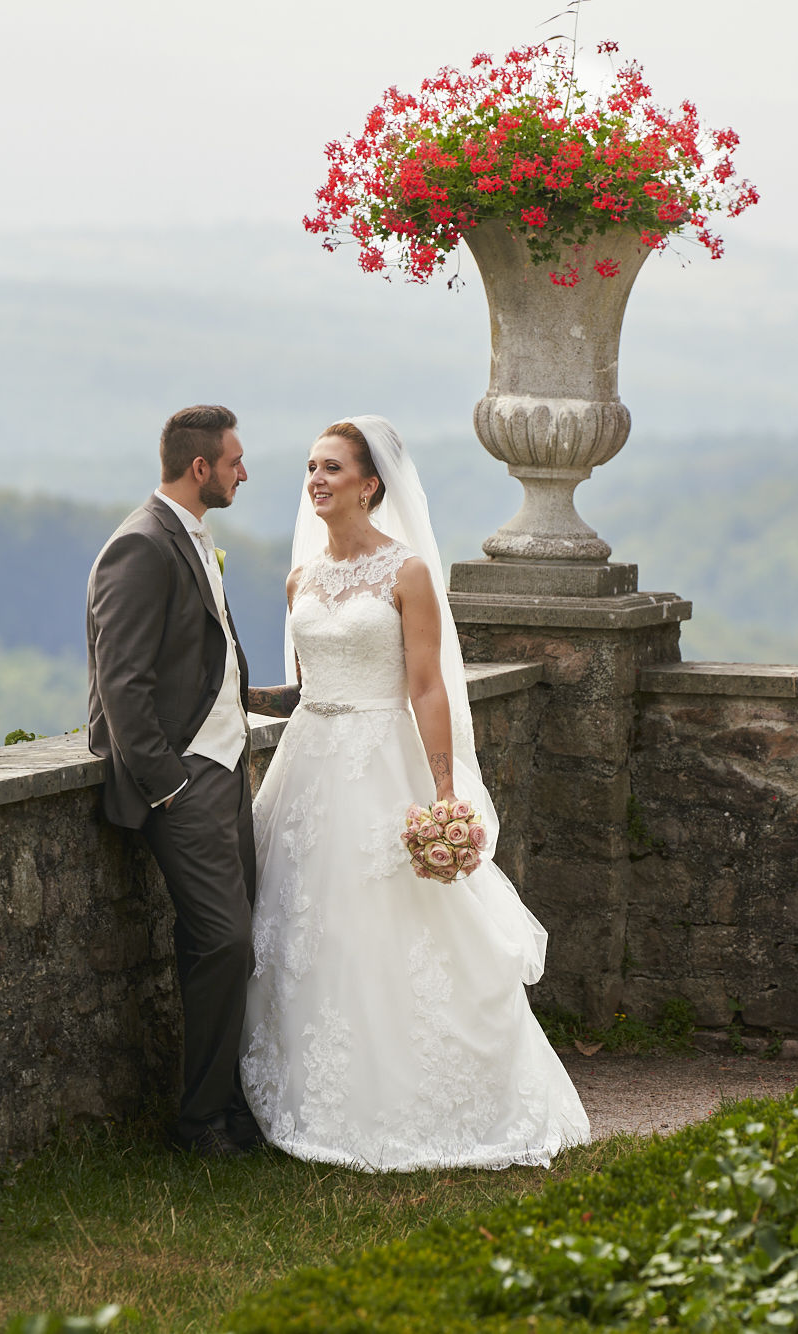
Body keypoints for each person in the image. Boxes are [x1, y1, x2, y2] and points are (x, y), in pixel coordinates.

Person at [239, 415, 590, 1171]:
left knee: (394, 928)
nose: (316, 480)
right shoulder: (300, 578)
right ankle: (315, 1098)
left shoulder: (406, 574)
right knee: (309, 927)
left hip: (381, 763)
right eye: (310, 467)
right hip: (310, 768)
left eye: (332, 468)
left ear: (371, 484)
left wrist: (442, 790)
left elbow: (428, 685)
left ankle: (420, 1098)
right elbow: (304, 691)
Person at [84, 404, 295, 1159]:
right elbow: (123, 682)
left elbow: (206, 672)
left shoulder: (193, 539)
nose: (246, 471)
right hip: (184, 784)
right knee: (226, 940)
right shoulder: (140, 546)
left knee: (228, 946)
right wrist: (167, 785)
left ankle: (231, 1106)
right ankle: (199, 1122)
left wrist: (279, 702)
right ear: (200, 467)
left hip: (226, 769)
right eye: (236, 460)